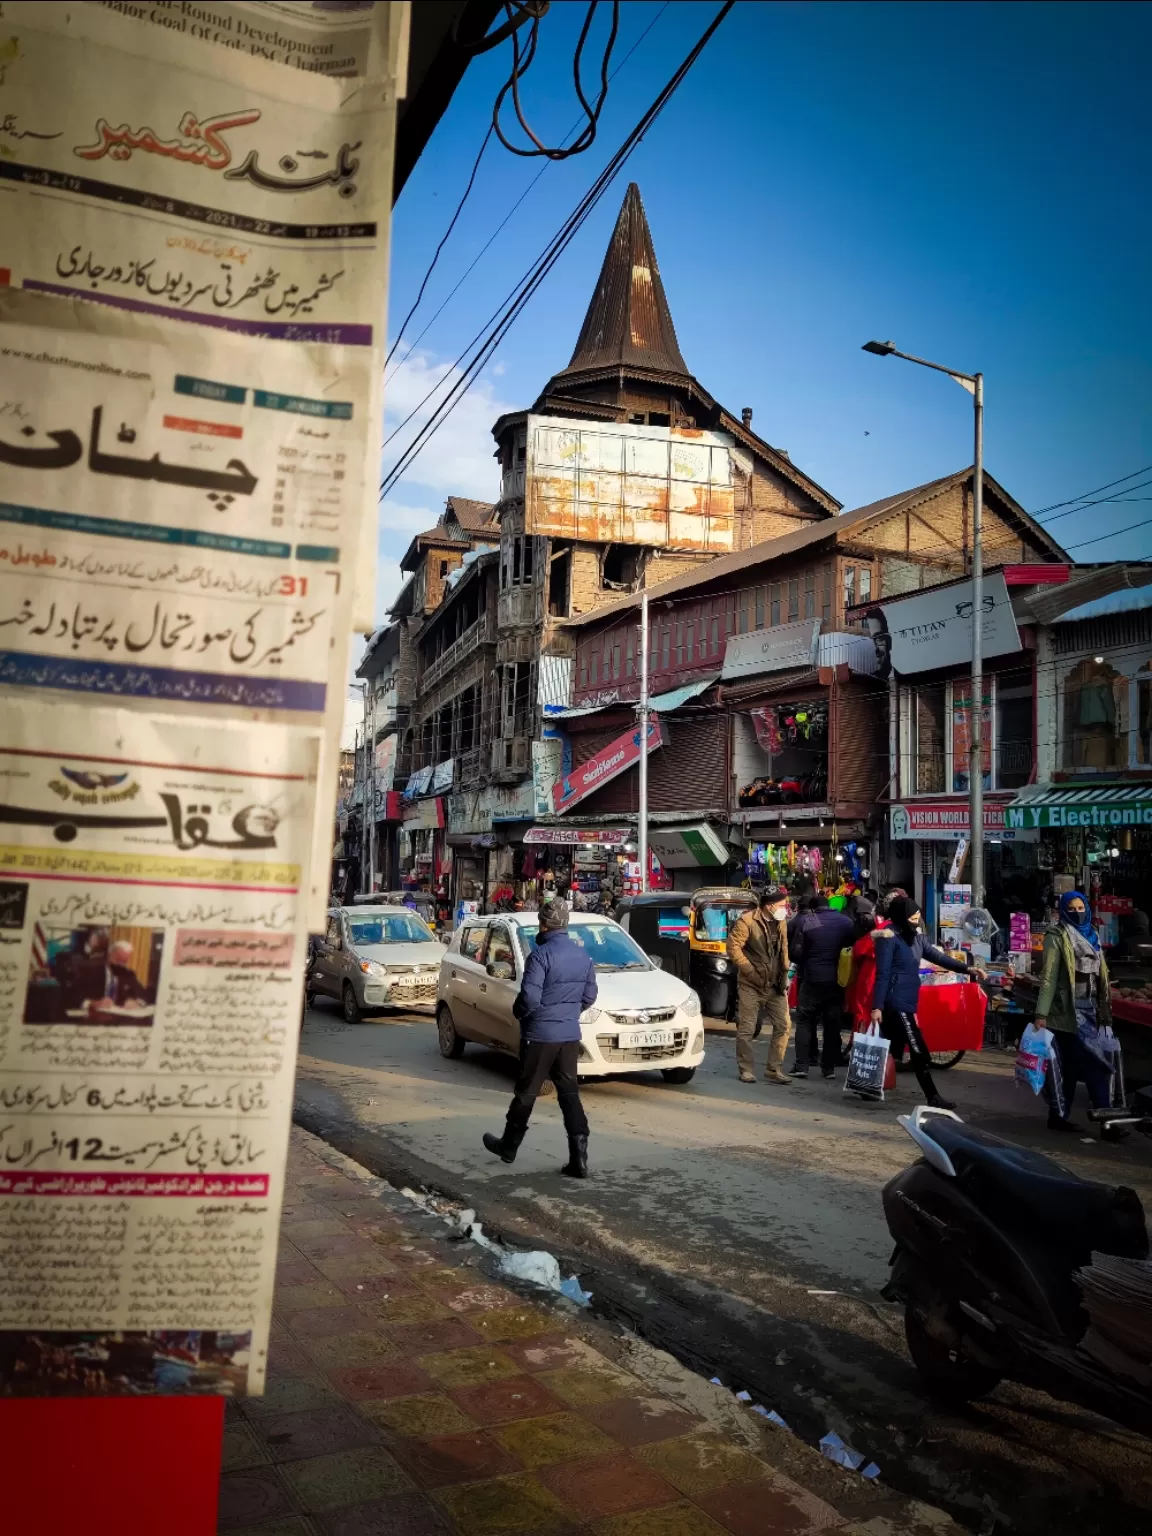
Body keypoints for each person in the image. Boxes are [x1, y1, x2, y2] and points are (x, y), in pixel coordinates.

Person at [482, 900, 596, 1176]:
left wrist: (521, 1013)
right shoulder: (583, 956)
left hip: (540, 1035)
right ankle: (579, 1160)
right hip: (569, 1035)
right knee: (569, 1094)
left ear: (544, 924)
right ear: (565, 925)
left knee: (527, 1092)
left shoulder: (540, 955)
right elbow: (589, 996)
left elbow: (530, 999)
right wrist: (567, 1013)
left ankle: (509, 1146)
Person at [870, 896, 985, 1109]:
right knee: (918, 1049)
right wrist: (877, 1006)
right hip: (896, 1001)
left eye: (918, 916)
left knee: (888, 1046)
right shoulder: (887, 938)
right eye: (912, 917)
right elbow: (882, 974)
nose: (917, 920)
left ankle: (867, 1086)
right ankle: (932, 1096)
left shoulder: (917, 938)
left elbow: (937, 957)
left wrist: (967, 968)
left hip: (908, 1000)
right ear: (901, 917)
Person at [1035, 890, 1125, 1138]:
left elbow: (1101, 972)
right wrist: (1041, 1014)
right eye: (1071, 908)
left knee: (1072, 1069)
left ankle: (1058, 1117)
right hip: (1067, 1014)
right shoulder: (1057, 935)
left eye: (1080, 907)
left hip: (1092, 1010)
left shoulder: (1093, 935)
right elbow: (1049, 977)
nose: (1077, 912)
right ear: (1064, 910)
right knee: (1096, 1066)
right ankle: (1108, 1123)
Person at [727, 887, 792, 1085]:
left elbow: (783, 948)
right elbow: (732, 947)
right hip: (751, 984)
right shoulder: (747, 921)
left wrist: (785, 972)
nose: (785, 909)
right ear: (769, 906)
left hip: (775, 985)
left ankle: (774, 1068)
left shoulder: (781, 921)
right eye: (781, 905)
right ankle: (746, 1069)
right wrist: (749, 971)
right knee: (747, 1029)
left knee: (784, 1026)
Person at [791, 895, 855, 1078]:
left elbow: (796, 952)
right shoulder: (845, 922)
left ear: (813, 909)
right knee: (832, 1023)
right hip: (837, 980)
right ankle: (828, 1069)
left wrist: (806, 961)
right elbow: (852, 948)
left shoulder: (811, 921)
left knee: (804, 1021)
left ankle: (802, 1066)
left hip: (812, 979)